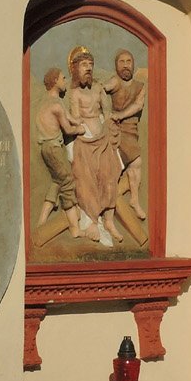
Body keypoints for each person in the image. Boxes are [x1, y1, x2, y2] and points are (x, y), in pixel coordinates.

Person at [66, 47, 122, 248]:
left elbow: (107, 112)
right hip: (85, 140)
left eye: (90, 65)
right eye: (83, 65)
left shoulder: (98, 88)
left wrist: (108, 127)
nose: (88, 68)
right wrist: (83, 131)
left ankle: (109, 221)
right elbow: (75, 118)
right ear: (75, 69)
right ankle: (92, 222)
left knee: (110, 175)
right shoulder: (74, 93)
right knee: (86, 179)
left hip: (102, 138)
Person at [33, 67, 86, 235]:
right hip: (54, 148)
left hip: (46, 148)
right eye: (63, 78)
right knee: (68, 182)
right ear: (55, 81)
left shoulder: (48, 101)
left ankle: (41, 222)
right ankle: (75, 228)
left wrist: (78, 120)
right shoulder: (56, 105)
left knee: (57, 181)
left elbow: (69, 117)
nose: (65, 81)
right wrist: (80, 129)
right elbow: (68, 129)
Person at [103, 49, 148, 221]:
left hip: (131, 129)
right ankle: (106, 213)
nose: (125, 65)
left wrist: (121, 115)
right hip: (116, 130)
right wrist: (106, 113)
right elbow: (101, 90)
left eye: (128, 61)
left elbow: (138, 105)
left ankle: (134, 200)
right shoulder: (115, 81)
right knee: (116, 169)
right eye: (121, 62)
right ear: (116, 66)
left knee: (136, 163)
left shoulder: (139, 87)